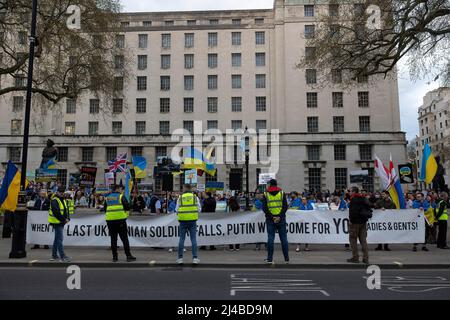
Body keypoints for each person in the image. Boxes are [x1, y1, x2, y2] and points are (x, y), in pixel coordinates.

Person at [104, 185, 136, 262]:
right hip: (120, 220)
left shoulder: (107, 197)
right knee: (124, 238)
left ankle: (115, 257)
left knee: (113, 239)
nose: (122, 190)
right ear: (117, 189)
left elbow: (105, 209)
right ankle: (128, 256)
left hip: (110, 221)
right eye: (121, 189)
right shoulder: (121, 196)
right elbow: (127, 207)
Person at [262, 179, 289, 264]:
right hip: (281, 219)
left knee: (270, 238)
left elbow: (265, 208)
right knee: (284, 239)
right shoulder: (282, 193)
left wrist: (272, 217)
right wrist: (279, 216)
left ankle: (270, 259)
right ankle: (286, 259)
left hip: (270, 219)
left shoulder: (266, 193)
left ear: (270, 185)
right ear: (276, 184)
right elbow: (285, 206)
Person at [175, 184, 201, 265]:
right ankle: (195, 258)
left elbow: (176, 210)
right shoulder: (195, 197)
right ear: (190, 189)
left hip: (182, 221)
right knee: (193, 239)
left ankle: (180, 258)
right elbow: (199, 209)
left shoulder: (180, 197)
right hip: (192, 220)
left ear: (185, 188)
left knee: (181, 239)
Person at [347, 187, 371, 264]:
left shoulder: (354, 200)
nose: (349, 192)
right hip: (363, 222)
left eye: (350, 191)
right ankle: (366, 258)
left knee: (353, 239)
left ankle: (355, 257)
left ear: (354, 192)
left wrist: (351, 221)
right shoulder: (363, 199)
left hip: (355, 222)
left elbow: (353, 212)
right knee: (363, 240)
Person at [48, 186, 71, 262]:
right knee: (59, 239)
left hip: (59, 222)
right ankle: (63, 256)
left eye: (62, 192)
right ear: (57, 192)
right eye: (60, 192)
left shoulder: (62, 199)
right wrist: (64, 219)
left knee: (57, 239)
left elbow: (65, 210)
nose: (61, 193)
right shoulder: (55, 200)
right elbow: (56, 212)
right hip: (57, 222)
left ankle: (54, 255)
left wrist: (67, 218)